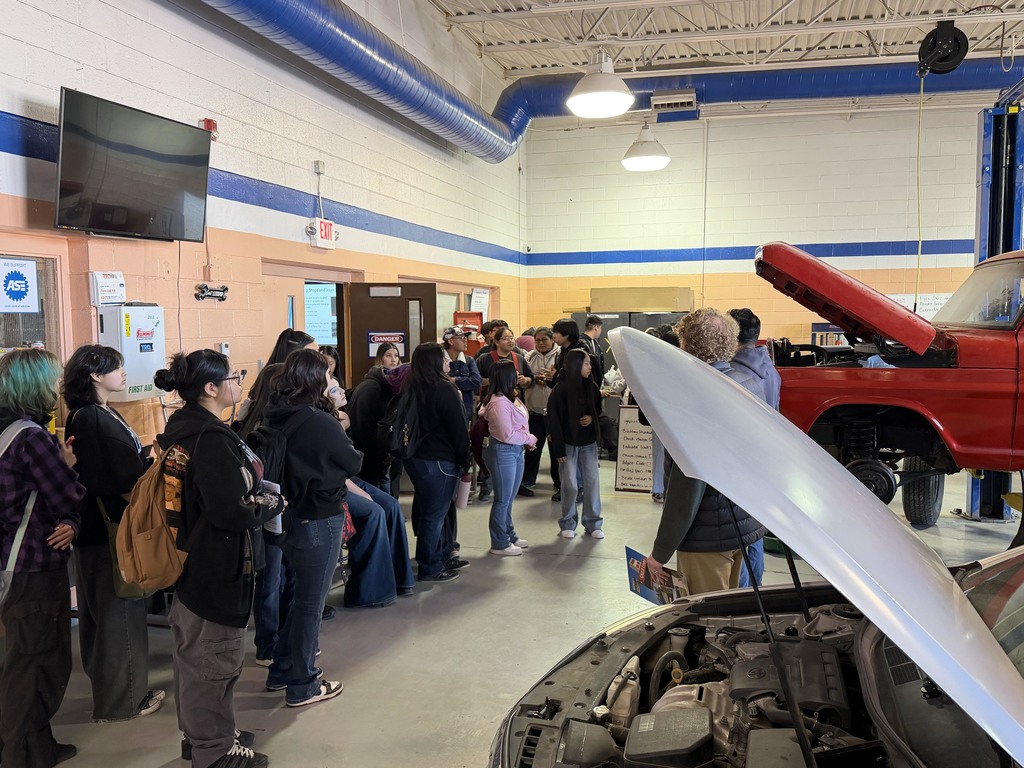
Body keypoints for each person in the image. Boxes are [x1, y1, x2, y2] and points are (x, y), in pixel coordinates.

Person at [154, 350, 282, 768]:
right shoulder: (208, 440)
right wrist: (268, 505)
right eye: (234, 375)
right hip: (213, 566)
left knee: (198, 659)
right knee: (212, 662)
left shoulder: (188, 427)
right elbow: (229, 511)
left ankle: (206, 734)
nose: (239, 380)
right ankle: (213, 752)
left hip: (200, 563)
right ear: (211, 388)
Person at [62, 345, 164, 723]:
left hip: (101, 527)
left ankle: (116, 693)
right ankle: (123, 700)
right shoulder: (90, 418)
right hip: (109, 529)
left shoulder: (99, 413)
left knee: (104, 611)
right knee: (118, 611)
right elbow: (116, 478)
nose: (123, 373)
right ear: (94, 375)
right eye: (116, 368)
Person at [262, 349, 362, 707]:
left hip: (287, 516)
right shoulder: (318, 422)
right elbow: (351, 460)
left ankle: (282, 669)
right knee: (310, 604)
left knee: (299, 598)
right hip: (319, 516)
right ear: (316, 379)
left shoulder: (274, 414)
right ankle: (303, 683)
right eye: (328, 375)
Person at [0, 348, 85, 768]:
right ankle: (22, 753)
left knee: (22, 657)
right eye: (54, 380)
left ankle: (34, 744)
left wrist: (69, 518)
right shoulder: (31, 438)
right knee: (37, 661)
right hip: (34, 565)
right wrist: (66, 464)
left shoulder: (6, 432)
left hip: (11, 565)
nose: (60, 388)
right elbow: (66, 494)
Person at [645, 308, 767, 596]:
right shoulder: (747, 383)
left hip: (707, 536)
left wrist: (660, 552)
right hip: (743, 522)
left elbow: (687, 485)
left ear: (685, 343)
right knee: (733, 616)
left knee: (707, 623)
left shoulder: (693, 395)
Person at [402, 343, 471, 582]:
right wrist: (466, 459)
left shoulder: (411, 387)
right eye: (443, 359)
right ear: (433, 362)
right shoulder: (444, 389)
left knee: (428, 510)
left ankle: (439, 557)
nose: (448, 362)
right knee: (435, 515)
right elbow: (458, 429)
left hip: (415, 459)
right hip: (440, 460)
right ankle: (430, 566)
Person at [728, 308, 781, 588]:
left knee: (740, 533)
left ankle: (743, 593)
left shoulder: (733, 373)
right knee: (756, 530)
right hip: (765, 460)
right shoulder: (770, 369)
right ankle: (755, 586)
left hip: (742, 461)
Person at [546, 348, 604, 539]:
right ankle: (568, 522)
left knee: (592, 482)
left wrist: (590, 418)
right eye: (586, 363)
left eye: (589, 363)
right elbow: (554, 421)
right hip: (568, 444)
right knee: (569, 484)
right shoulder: (560, 390)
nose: (589, 367)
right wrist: (559, 449)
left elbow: (597, 410)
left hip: (587, 443)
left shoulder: (591, 387)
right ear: (575, 365)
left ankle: (593, 523)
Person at [481, 360, 537, 556]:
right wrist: (529, 438)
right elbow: (506, 434)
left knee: (509, 498)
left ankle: (509, 535)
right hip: (503, 451)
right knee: (502, 499)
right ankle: (499, 543)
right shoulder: (498, 403)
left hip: (516, 450)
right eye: (514, 373)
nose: (518, 375)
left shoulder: (511, 397)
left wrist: (525, 439)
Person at [347, 349, 404, 491]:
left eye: (396, 356)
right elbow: (363, 426)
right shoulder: (373, 388)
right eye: (388, 355)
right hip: (368, 456)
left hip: (374, 455)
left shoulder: (378, 386)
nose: (393, 360)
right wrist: (381, 454)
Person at [522, 326, 559, 492]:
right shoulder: (528, 357)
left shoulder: (560, 356)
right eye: (537, 340)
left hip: (554, 413)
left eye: (544, 340)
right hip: (533, 412)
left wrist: (552, 379)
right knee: (532, 449)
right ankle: (528, 480)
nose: (541, 343)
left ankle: (559, 483)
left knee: (556, 451)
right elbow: (524, 378)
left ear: (552, 340)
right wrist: (534, 378)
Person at [442, 326, 481, 422]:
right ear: (450, 341)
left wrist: (454, 380)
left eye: (465, 338)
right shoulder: (440, 360)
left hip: (466, 411)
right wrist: (465, 382)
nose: (465, 341)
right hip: (444, 412)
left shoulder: (468, 360)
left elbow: (477, 381)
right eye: (461, 338)